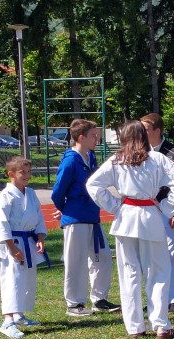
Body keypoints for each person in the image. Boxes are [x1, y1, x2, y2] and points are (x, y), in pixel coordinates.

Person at [86, 121, 174, 339]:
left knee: (129, 274)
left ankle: (135, 327)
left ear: (123, 137)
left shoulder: (117, 160)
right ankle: (160, 325)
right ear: (143, 136)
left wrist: (114, 205)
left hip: (126, 218)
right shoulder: (157, 159)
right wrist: (167, 207)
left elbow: (93, 184)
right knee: (158, 272)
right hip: (150, 216)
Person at [51, 119, 119, 317]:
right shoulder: (70, 161)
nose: (97, 139)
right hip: (76, 218)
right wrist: (67, 209)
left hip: (92, 216)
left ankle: (99, 299)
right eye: (93, 136)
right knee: (76, 261)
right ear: (81, 138)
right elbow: (57, 192)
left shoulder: (91, 156)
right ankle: (74, 303)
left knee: (102, 257)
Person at [140, 113, 174, 312]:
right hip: (145, 210)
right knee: (149, 255)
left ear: (157, 130)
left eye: (145, 129)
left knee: (172, 253)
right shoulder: (140, 151)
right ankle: (154, 298)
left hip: (167, 210)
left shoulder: (173, 152)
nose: (141, 132)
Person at [0, 156, 48, 339]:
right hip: (14, 242)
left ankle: (19, 315)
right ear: (11, 174)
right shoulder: (6, 196)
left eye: (28, 171)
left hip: (29, 240)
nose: (27, 175)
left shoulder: (31, 193)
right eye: (22, 172)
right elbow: (2, 223)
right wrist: (11, 247)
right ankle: (8, 321)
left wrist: (40, 237)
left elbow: (38, 216)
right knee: (13, 279)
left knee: (27, 280)